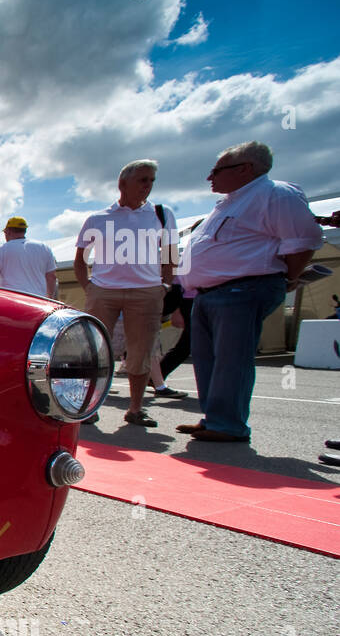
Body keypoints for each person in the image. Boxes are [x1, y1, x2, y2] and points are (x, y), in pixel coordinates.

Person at [176, 141, 323, 442]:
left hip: (241, 289)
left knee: (232, 358)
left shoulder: (276, 194)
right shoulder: (231, 203)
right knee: (208, 358)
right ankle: (215, 417)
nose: (209, 178)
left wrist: (288, 278)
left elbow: (303, 240)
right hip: (210, 293)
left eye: (216, 170)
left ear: (245, 168)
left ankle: (228, 423)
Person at [73, 159, 177, 427]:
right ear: (123, 184)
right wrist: (89, 287)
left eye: (152, 180)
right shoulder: (98, 219)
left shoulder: (161, 215)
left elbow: (170, 255)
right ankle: (89, 406)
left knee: (141, 351)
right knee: (94, 351)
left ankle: (135, 408)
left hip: (146, 292)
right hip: (104, 292)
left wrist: (164, 286)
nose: (148, 186)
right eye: (143, 180)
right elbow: (80, 258)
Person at [0, 217, 57, 298]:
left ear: (8, 231)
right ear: (25, 231)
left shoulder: (2, 250)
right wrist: (49, 298)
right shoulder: (44, 248)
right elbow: (52, 277)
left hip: (13, 301)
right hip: (39, 301)